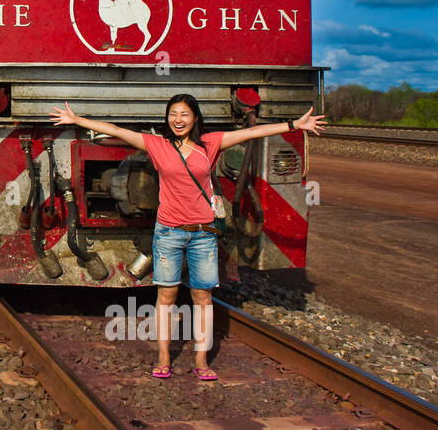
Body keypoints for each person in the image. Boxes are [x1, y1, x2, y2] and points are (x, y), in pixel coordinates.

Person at [50, 94, 324, 380]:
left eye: (184, 114)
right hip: (168, 233)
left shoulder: (210, 144)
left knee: (203, 297)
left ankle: (202, 362)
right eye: (173, 114)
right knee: (166, 297)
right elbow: (118, 131)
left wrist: (294, 124)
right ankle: (164, 358)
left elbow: (251, 132)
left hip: (203, 234)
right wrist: (77, 120)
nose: (177, 120)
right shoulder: (158, 145)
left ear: (195, 118)